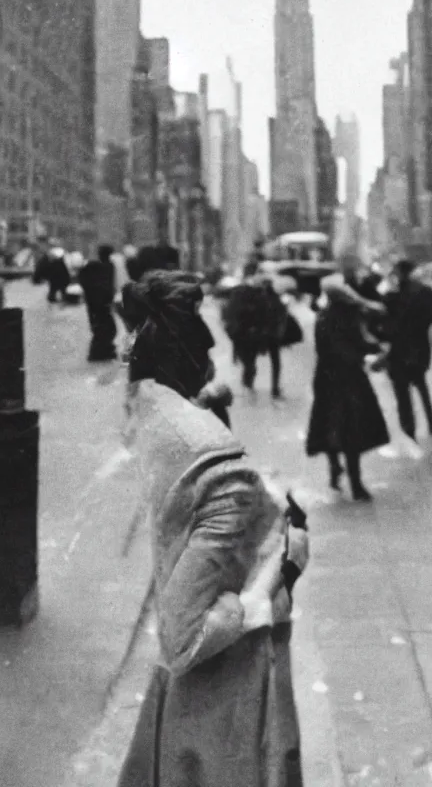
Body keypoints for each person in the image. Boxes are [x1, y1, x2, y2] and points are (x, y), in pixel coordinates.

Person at [115, 270, 310, 787]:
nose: (211, 344)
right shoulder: (214, 462)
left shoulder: (153, 413)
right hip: (233, 699)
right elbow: (187, 636)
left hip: (188, 703)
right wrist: (275, 576)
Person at [306, 274, 390, 501]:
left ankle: (335, 468)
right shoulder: (349, 317)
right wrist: (374, 351)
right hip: (348, 379)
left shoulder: (323, 317)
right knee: (351, 430)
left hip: (326, 378)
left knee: (330, 426)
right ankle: (355, 483)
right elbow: (355, 344)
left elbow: (329, 347)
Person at [383, 259, 432, 440]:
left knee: (402, 394)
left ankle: (409, 433)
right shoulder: (426, 292)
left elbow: (383, 324)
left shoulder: (391, 296)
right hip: (420, 349)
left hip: (398, 351)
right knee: (422, 385)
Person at [223, 261, 288, 397]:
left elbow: (273, 309)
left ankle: (259, 385)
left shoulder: (266, 290)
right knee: (249, 362)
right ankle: (248, 383)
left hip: (260, 332)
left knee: (253, 362)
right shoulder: (241, 291)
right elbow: (232, 313)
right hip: (245, 333)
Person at [78, 245, 119, 362]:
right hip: (99, 303)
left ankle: (102, 351)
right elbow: (107, 285)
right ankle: (101, 352)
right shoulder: (101, 266)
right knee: (105, 328)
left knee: (104, 328)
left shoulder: (100, 266)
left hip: (98, 303)